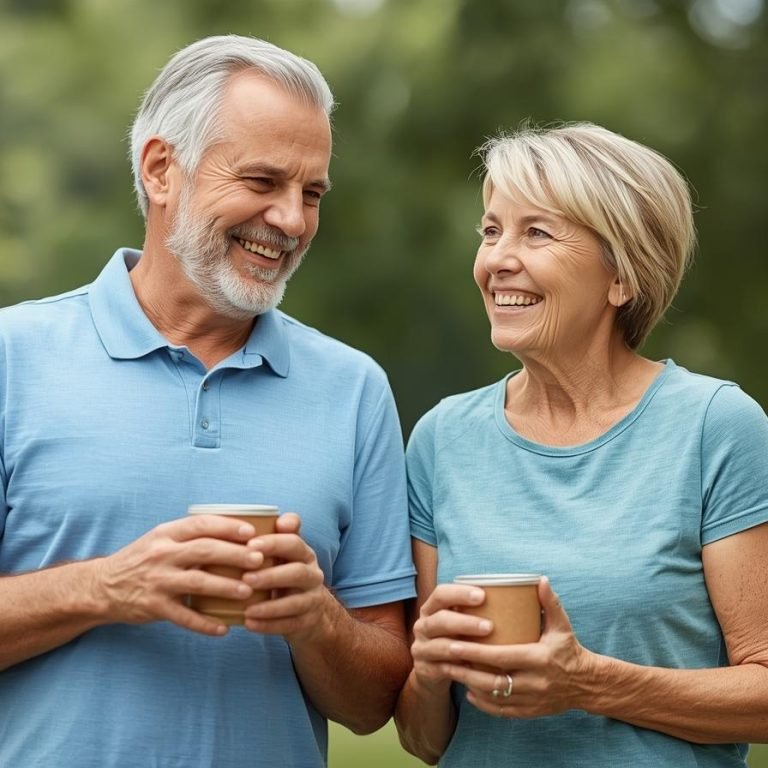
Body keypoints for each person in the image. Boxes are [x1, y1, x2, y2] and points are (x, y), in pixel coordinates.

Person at [0, 34, 416, 767]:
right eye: (262, 181)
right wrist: (108, 586)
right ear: (162, 170)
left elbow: (374, 704)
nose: (290, 220)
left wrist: (315, 618)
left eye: (311, 192)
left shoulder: (353, 390)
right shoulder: (13, 356)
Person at [394, 122, 768, 767]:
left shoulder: (716, 426)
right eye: (490, 230)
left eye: (536, 232)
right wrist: (428, 671)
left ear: (622, 276)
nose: (496, 259)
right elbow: (424, 740)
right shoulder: (441, 438)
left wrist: (590, 683)